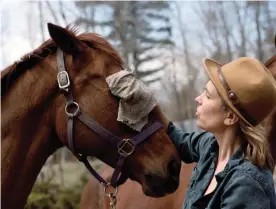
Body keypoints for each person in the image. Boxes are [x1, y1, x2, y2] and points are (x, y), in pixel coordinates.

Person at [156, 57, 276, 209]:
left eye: (207, 95)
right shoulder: (211, 146)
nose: (197, 98)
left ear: (230, 117)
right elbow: (178, 139)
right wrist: (147, 104)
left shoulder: (247, 183)